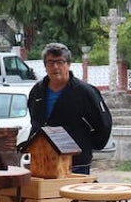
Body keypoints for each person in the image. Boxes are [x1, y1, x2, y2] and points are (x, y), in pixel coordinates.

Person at [25, 42, 113, 176]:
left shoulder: (84, 92)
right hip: (43, 159)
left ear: (68, 64)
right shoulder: (37, 91)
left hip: (76, 162)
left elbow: (103, 123)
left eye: (60, 62)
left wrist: (86, 144)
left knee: (72, 196)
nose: (55, 67)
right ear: (45, 66)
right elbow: (35, 122)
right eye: (50, 62)